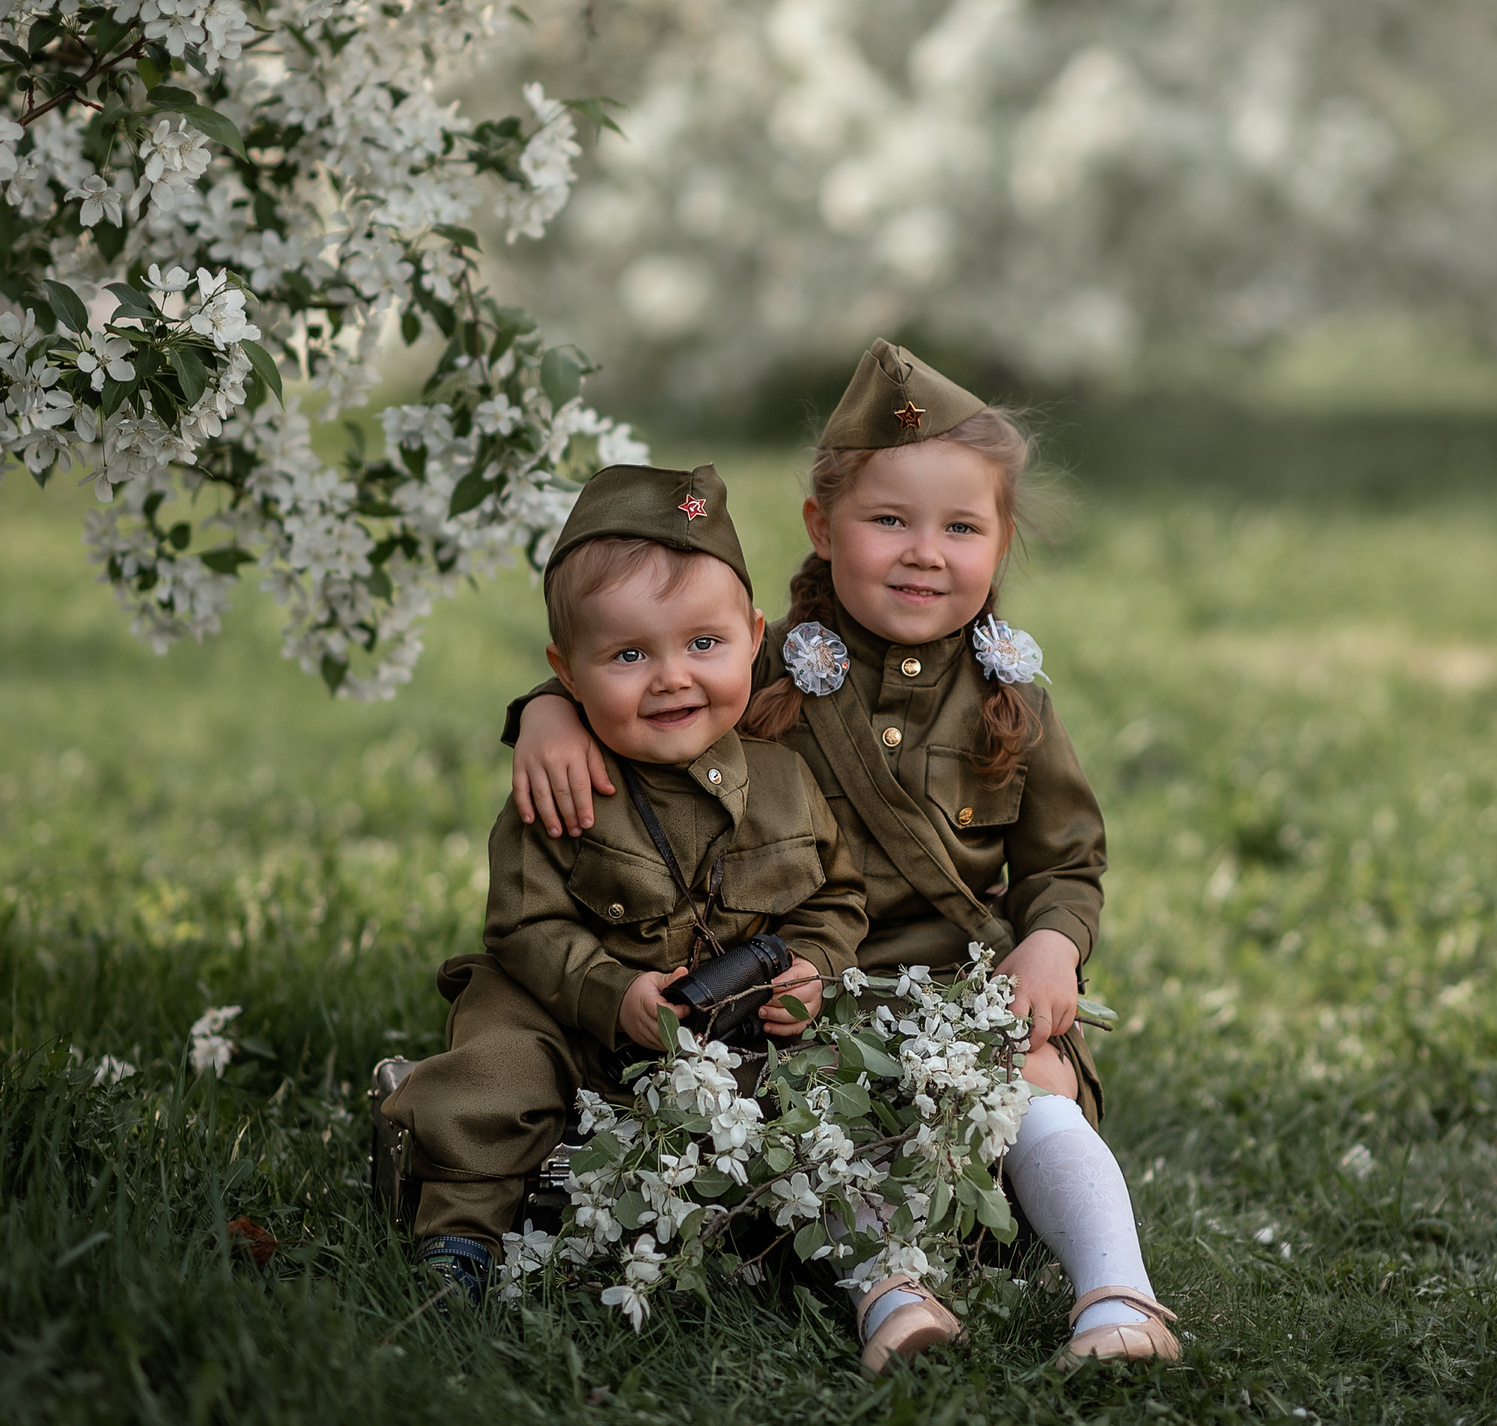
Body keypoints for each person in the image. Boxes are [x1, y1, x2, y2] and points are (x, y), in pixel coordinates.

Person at [504, 343, 1180, 1369]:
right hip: (801, 991)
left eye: (961, 526)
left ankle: (1118, 1299)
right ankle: (889, 1297)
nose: (922, 552)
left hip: (962, 986)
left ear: (1001, 543)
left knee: (1034, 1075)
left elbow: (1067, 858)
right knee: (795, 1107)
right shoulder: (758, 664)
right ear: (822, 528)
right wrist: (547, 710)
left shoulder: (1014, 701)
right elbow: (650, 679)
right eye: (888, 520)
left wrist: (1051, 945)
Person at [380, 462, 867, 1323]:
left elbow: (834, 899)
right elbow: (524, 925)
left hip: (723, 1022)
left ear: (755, 636)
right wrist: (611, 995)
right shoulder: (567, 784)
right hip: (565, 1008)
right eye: (630, 654)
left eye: (704, 645)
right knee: (493, 1076)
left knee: (813, 1098)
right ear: (566, 671)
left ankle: (800, 1246)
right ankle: (458, 1237)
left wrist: (813, 968)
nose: (672, 677)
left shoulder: (788, 783)